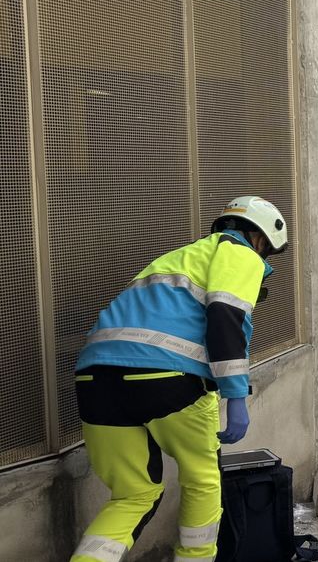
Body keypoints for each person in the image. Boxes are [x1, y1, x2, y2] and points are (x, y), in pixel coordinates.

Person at [71, 196, 288, 562]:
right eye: (267, 252)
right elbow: (225, 317)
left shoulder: (175, 259)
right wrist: (236, 395)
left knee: (134, 494)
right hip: (169, 380)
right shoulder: (240, 255)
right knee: (202, 480)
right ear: (260, 238)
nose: (264, 261)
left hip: (95, 380)